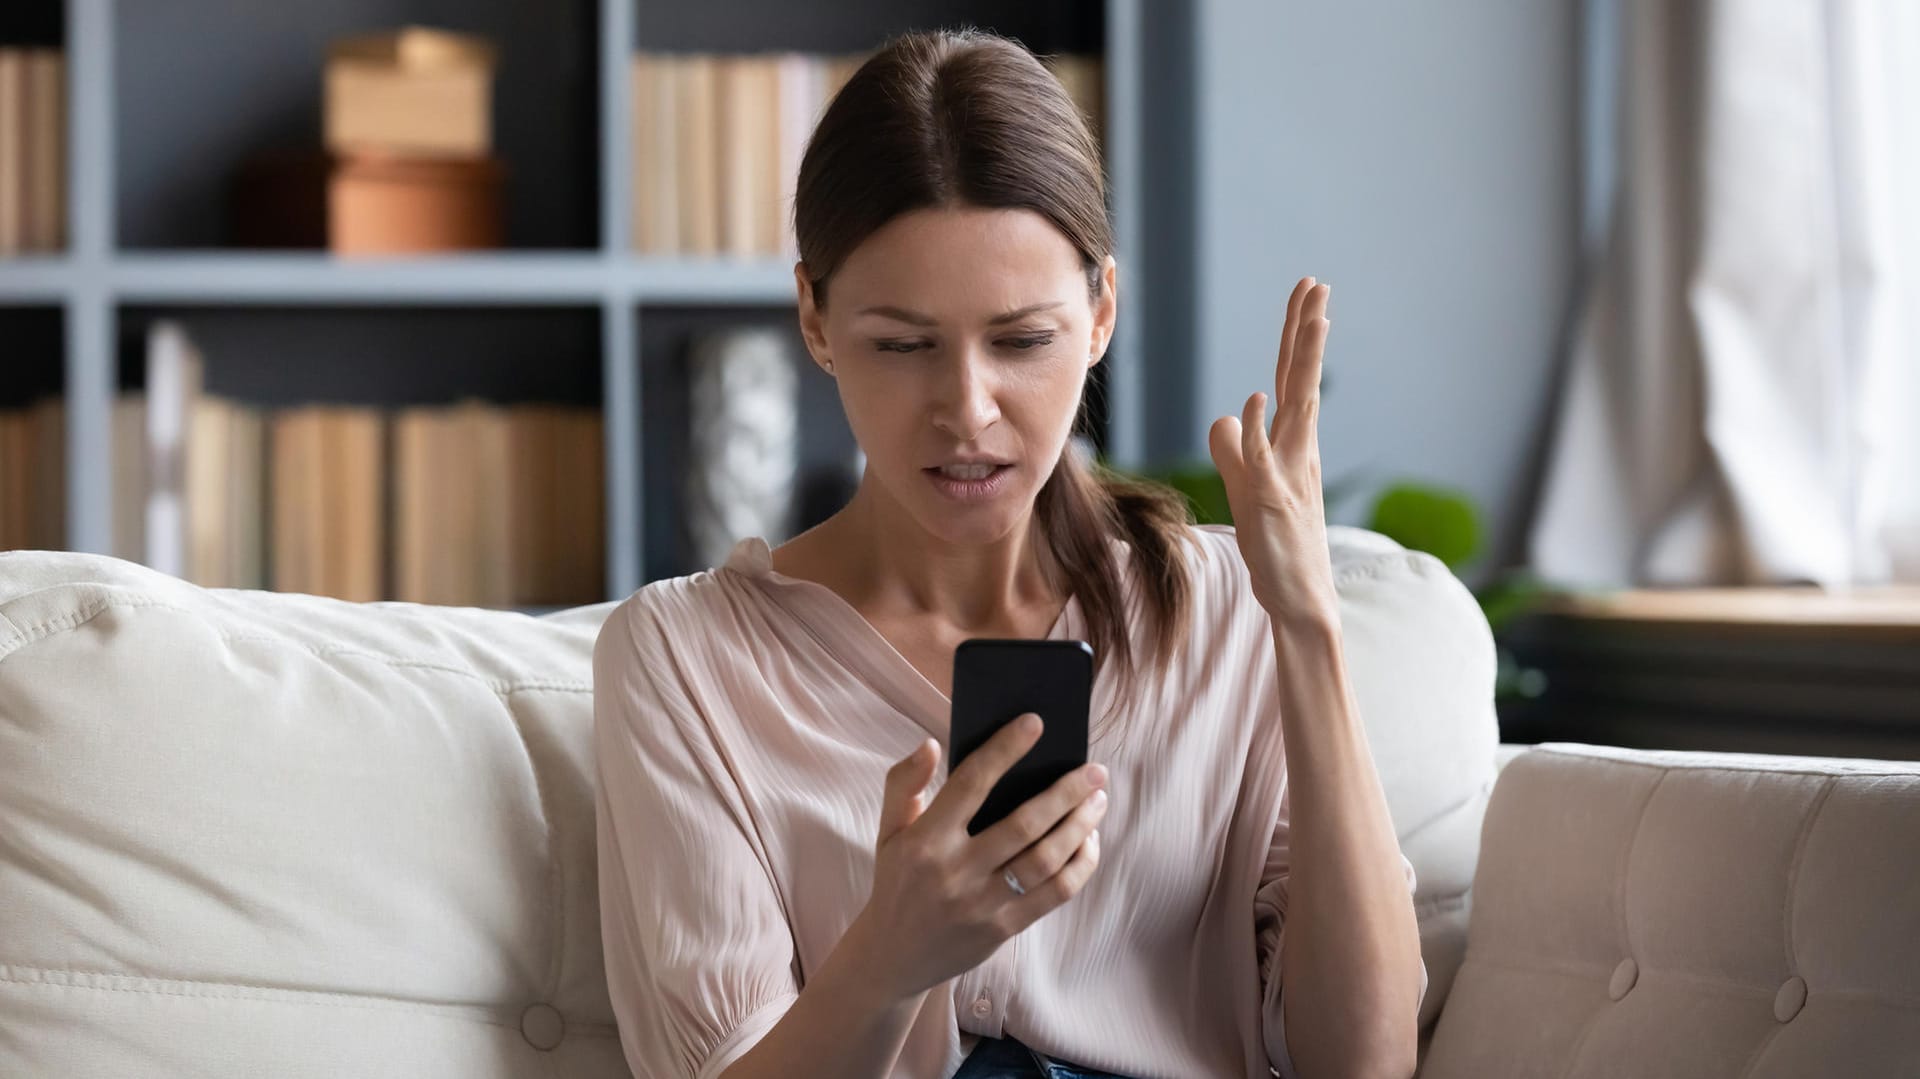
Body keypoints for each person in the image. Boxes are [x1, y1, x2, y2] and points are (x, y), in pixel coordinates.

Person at [592, 27, 1426, 1079]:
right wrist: (888, 961)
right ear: (813, 316)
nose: (968, 409)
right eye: (903, 344)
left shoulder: (1228, 609)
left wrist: (1307, 625)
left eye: (1023, 340)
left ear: (1100, 313)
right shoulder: (685, 658)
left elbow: (1367, 1060)